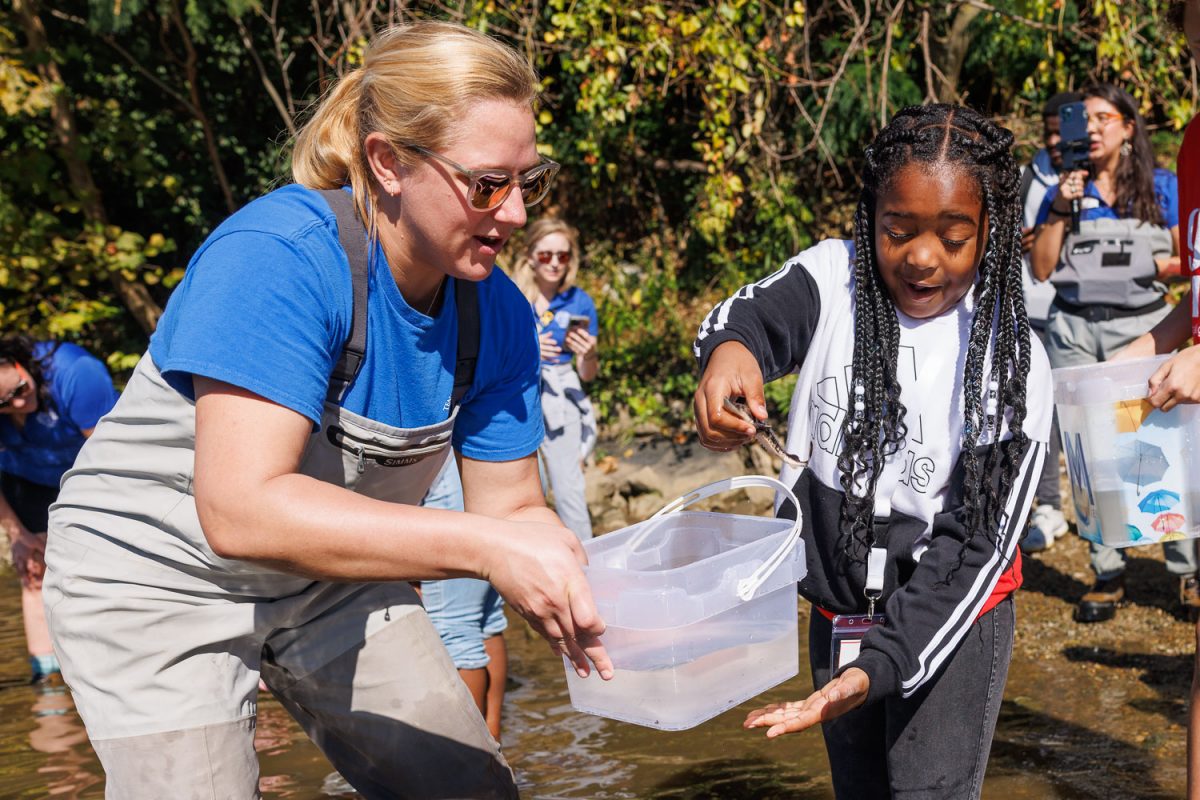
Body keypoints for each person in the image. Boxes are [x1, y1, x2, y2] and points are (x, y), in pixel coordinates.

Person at [40, 21, 611, 799]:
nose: (513, 214)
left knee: (468, 788)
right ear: (388, 162)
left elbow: (510, 505)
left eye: (529, 182)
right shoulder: (278, 257)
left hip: (326, 584)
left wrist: (583, 585)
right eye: (487, 184)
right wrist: (485, 550)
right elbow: (242, 511)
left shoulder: (499, 314)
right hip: (154, 580)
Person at [693, 104, 1052, 799]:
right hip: (840, 615)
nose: (921, 257)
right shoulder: (835, 277)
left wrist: (874, 670)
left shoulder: (1011, 362)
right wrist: (728, 359)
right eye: (897, 230)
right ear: (871, 217)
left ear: (991, 236)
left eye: (954, 238)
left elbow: (976, 548)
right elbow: (744, 319)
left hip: (953, 620)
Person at [1029, 82, 1195, 622]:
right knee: (1090, 451)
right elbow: (1042, 268)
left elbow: (1184, 257)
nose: (1094, 127)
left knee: (1159, 441)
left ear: (1128, 126)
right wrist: (1059, 204)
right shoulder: (1063, 188)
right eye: (1087, 118)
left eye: (1106, 117)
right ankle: (1107, 569)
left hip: (1147, 325)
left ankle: (1186, 569)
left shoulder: (1163, 184)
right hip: (1075, 330)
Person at [0, 336, 117, 684]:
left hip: (94, 469)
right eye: (5, 404)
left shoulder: (76, 373)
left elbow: (112, 457)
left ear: (18, 362)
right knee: (33, 567)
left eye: (21, 388)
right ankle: (47, 682)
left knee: (112, 565)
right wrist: (16, 533)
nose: (21, 402)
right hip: (26, 476)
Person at [1018, 91, 1082, 553]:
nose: (1056, 140)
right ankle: (1048, 506)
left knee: (1081, 414)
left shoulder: (1095, 174)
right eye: (1049, 130)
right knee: (1039, 414)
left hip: (1082, 310)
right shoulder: (1026, 176)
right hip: (1032, 308)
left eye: (1065, 130)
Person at [511, 218, 600, 541]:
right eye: (546, 255)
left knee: (569, 491)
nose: (554, 264)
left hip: (563, 393)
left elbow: (587, 374)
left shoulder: (579, 302)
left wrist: (588, 354)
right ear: (530, 255)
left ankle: (590, 572)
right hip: (516, 395)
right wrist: (528, 342)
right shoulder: (510, 296)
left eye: (562, 256)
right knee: (526, 492)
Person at [418, 459, 508, 742]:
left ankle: (475, 755)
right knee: (485, 620)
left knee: (454, 629)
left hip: (450, 482)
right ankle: (493, 743)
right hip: (499, 470)